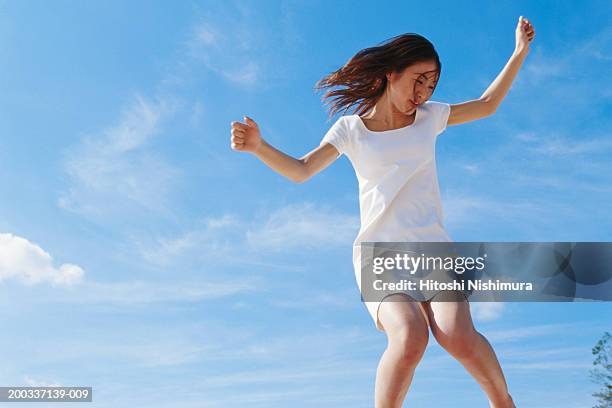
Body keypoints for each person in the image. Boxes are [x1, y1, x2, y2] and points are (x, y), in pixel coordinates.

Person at [230, 15, 535, 408]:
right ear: (392, 73)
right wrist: (259, 146)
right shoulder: (350, 130)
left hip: (433, 249)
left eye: (432, 84)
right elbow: (302, 169)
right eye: (418, 79)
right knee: (409, 337)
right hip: (381, 255)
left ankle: (503, 402)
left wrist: (519, 52)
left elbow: (487, 105)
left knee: (456, 335)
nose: (423, 92)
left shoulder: (430, 118)